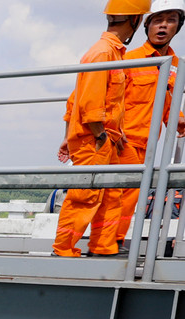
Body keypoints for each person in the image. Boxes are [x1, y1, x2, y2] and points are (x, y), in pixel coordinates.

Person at [53, 0, 152, 258]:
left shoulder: (114, 52)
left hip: (106, 138)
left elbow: (78, 99)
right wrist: (100, 135)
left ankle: (103, 247)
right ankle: (62, 250)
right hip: (93, 139)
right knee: (85, 195)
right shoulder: (102, 53)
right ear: (136, 21)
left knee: (111, 195)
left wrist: (115, 136)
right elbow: (88, 104)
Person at [114, 0, 185, 247]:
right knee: (121, 195)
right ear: (146, 25)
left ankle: (113, 242)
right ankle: (107, 244)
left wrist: (180, 123)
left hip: (147, 144)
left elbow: (168, 103)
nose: (164, 26)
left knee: (132, 196)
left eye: (171, 20)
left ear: (179, 26)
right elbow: (111, 98)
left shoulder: (176, 64)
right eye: (158, 20)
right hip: (123, 140)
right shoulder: (130, 59)